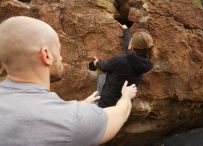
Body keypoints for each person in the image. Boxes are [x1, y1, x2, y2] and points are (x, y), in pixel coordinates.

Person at [0, 16, 137, 146]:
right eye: (59, 51)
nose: (61, 57)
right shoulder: (67, 120)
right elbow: (118, 115)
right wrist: (126, 97)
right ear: (46, 55)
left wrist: (80, 104)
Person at [94, 24, 158, 108]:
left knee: (102, 77)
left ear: (131, 45)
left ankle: (98, 103)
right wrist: (126, 30)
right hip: (124, 99)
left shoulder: (120, 60)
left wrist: (97, 63)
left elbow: (106, 67)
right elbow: (130, 51)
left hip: (108, 101)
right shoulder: (146, 62)